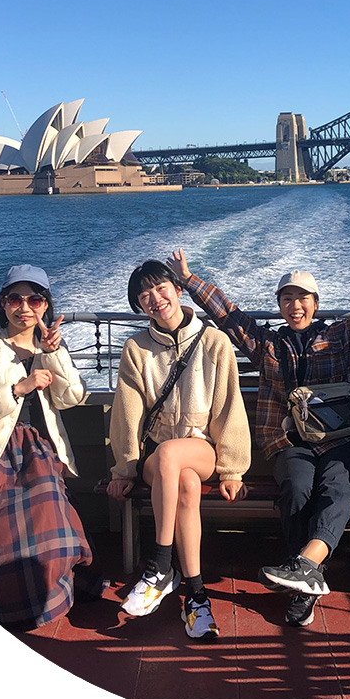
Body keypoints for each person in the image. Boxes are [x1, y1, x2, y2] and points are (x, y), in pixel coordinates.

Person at [169, 241, 350, 628]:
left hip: (346, 438)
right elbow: (230, 315)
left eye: (302, 299)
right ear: (280, 306)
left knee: (338, 487)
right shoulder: (268, 345)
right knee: (298, 490)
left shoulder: (344, 337)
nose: (295, 306)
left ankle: (304, 571)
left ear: (315, 303)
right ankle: (304, 582)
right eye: (287, 299)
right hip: (290, 441)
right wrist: (189, 280)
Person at [0, 264, 100, 629]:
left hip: (38, 448)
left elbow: (72, 397)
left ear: (46, 305)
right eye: (15, 298)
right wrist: (17, 389)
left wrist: (54, 354)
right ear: (3, 302)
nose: (24, 307)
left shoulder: (50, 346)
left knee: (48, 523)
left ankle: (47, 601)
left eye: (34, 298)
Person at [107, 260, 250, 640]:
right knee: (182, 480)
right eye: (144, 296)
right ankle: (197, 597)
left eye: (160, 288)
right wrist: (124, 469)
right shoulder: (136, 349)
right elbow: (128, 411)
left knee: (177, 456)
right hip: (159, 454)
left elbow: (228, 407)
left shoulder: (214, 341)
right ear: (140, 306)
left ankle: (158, 566)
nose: (155, 299)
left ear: (178, 289)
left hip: (201, 448)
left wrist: (233, 469)